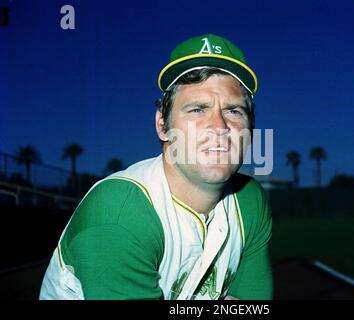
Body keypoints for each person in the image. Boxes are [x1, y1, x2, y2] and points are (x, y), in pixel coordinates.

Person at [39, 34, 273, 300]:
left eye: (234, 111)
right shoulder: (119, 214)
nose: (219, 127)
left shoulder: (250, 201)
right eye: (197, 109)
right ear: (162, 124)